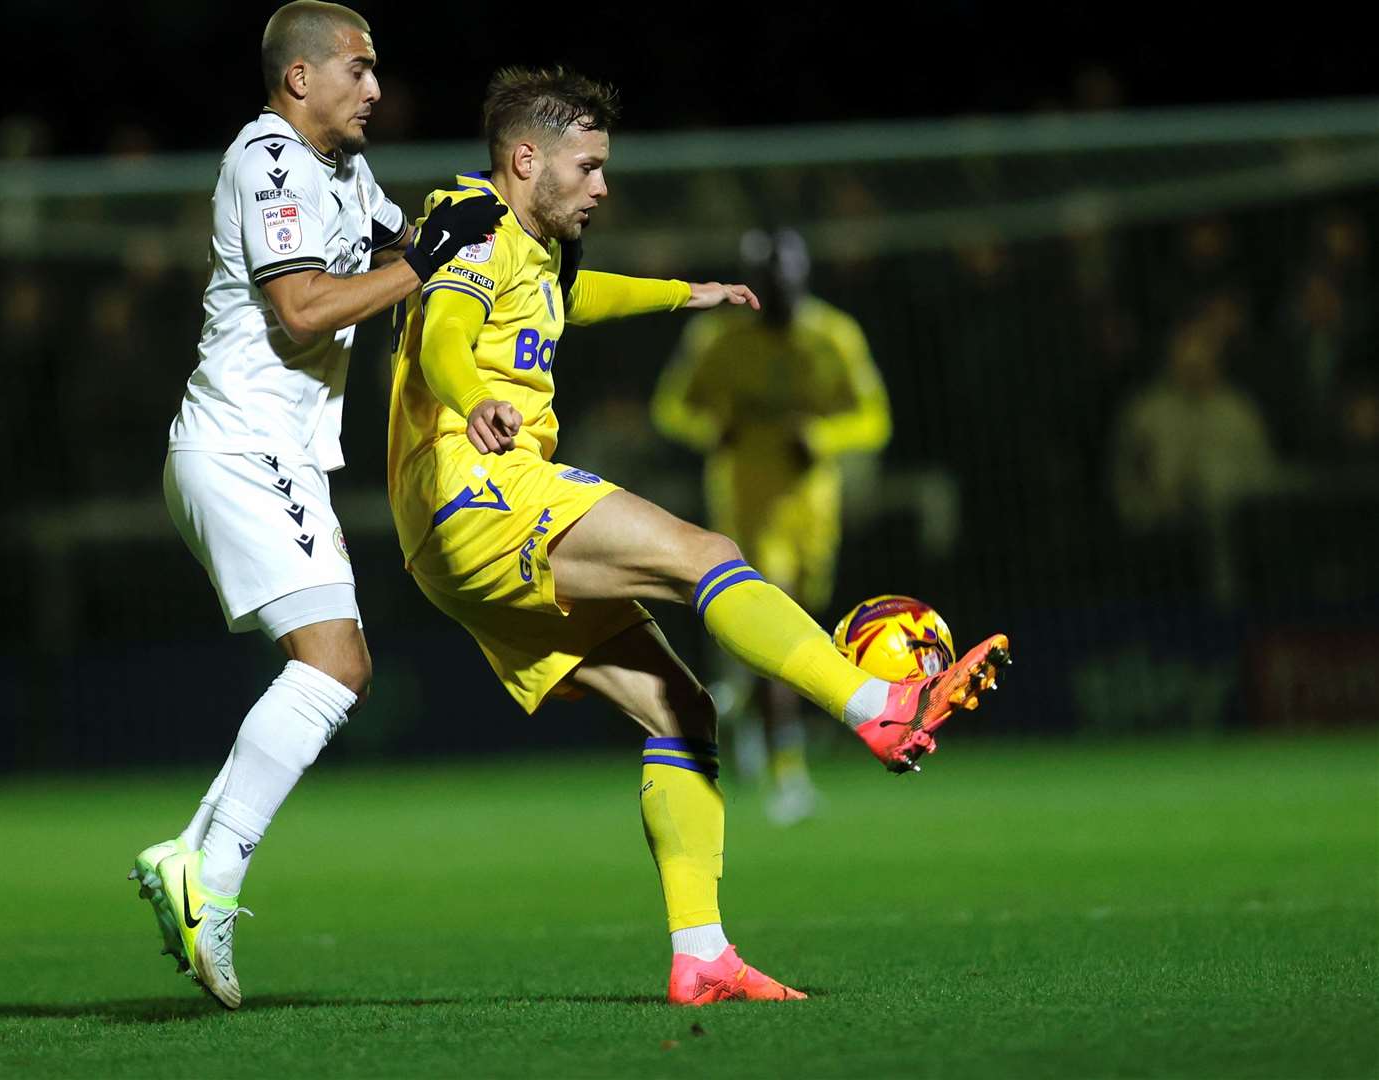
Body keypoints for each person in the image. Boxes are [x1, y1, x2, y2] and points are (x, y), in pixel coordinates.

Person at [386, 66, 1010, 1005]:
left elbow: (573, 299)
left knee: (683, 710)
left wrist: (684, 293)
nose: (603, 185)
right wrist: (473, 401)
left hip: (450, 537)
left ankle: (702, 954)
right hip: (482, 491)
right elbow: (443, 329)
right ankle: (878, 704)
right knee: (706, 556)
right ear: (526, 160)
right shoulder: (478, 228)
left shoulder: (532, 253)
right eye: (588, 166)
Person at [127, 1, 505, 1010]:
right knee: (336, 665)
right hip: (243, 445)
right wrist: (424, 260)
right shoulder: (273, 161)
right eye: (359, 69)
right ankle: (214, 878)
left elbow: (409, 249)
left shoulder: (342, 172)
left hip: (275, 455)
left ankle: (193, 863)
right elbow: (301, 313)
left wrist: (480, 227)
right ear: (300, 79)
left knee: (340, 669)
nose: (376, 88)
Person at [652, 227, 892, 825]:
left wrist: (823, 438)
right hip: (745, 506)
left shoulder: (834, 337)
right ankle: (789, 773)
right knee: (783, 631)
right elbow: (671, 407)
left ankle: (735, 703)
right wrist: (714, 431)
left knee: (803, 624)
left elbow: (873, 418)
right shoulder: (716, 338)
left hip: (813, 506)